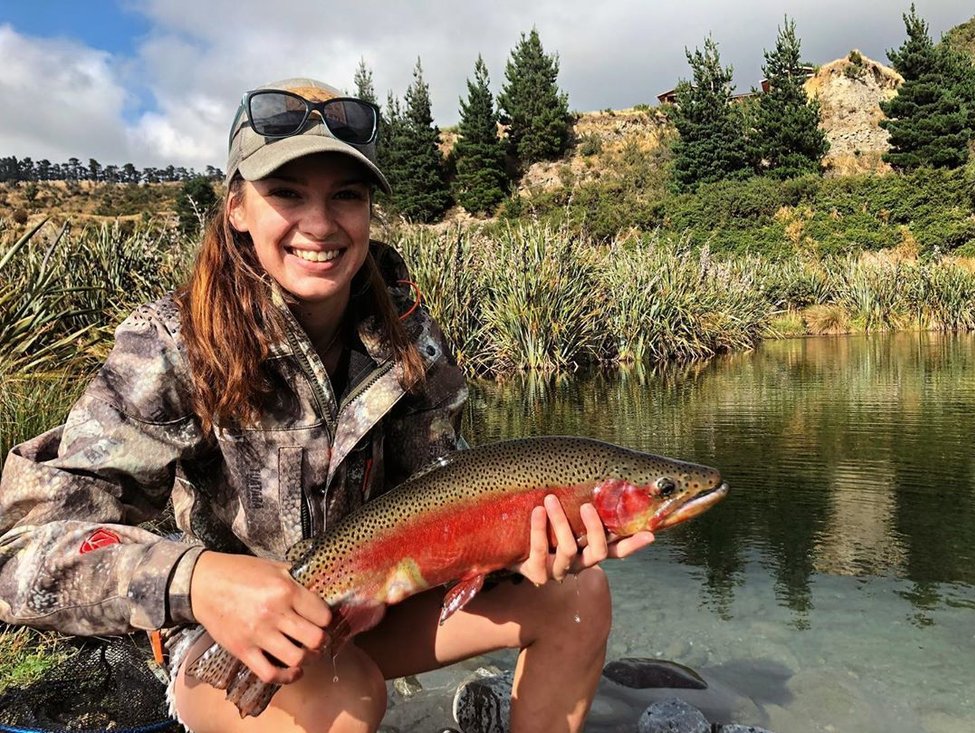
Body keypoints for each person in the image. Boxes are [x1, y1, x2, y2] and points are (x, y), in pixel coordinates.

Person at [0, 77, 654, 733]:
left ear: (369, 210)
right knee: (344, 699)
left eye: (346, 195)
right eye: (286, 192)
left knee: (576, 594)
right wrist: (197, 581)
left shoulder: (407, 333)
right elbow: (19, 550)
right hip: (226, 641)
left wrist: (513, 545)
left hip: (367, 596)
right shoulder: (171, 346)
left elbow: (440, 488)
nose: (319, 223)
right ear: (236, 208)